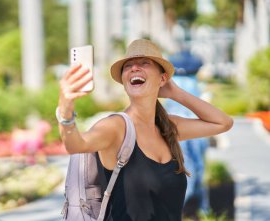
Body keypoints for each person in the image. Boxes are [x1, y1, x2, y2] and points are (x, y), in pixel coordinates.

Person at [57, 39, 233, 221]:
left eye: (144, 63)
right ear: (124, 80)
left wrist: (176, 93)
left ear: (162, 78)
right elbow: (76, 145)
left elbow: (223, 123)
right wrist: (65, 111)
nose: (134, 68)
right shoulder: (116, 127)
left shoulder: (168, 127)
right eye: (128, 65)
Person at [165, 49, 210, 214]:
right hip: (194, 126)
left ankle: (181, 207)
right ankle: (200, 207)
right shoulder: (194, 82)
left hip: (175, 126)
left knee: (181, 166)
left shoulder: (173, 81)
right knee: (196, 166)